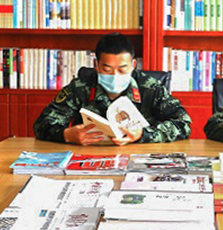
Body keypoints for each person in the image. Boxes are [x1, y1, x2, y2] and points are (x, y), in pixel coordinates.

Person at [33, 32, 191, 145]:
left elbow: (183, 124)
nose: (115, 75)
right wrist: (66, 135)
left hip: (138, 157)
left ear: (133, 65)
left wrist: (144, 134)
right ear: (96, 65)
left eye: (122, 69)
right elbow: (42, 124)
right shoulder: (80, 87)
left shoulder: (150, 88)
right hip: (90, 157)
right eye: (107, 69)